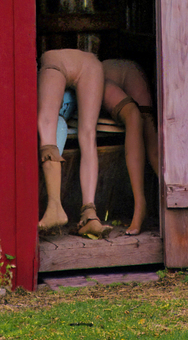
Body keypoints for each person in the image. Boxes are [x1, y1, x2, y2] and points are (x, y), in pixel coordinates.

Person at [38, 49, 111, 237]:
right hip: (91, 64)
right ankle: (90, 216)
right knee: (88, 136)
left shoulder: (48, 57)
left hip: (55, 62)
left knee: (47, 124)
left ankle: (54, 207)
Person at [102, 78, 147, 235]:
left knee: (146, 125)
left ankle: (143, 205)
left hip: (124, 73)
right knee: (135, 116)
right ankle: (141, 204)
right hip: (89, 75)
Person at [102, 59, 159, 177]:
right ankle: (141, 195)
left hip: (125, 72)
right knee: (136, 117)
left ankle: (141, 195)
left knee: (138, 118)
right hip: (121, 72)